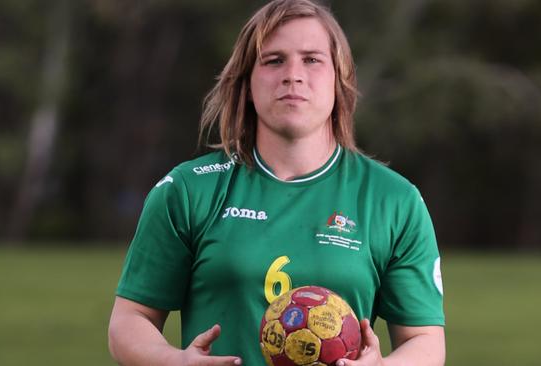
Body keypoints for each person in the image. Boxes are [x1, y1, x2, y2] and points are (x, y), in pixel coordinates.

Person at [107, 0, 445, 365]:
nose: (293, 75)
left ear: (339, 78)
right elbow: (129, 320)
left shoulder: (394, 200)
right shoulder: (188, 190)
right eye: (273, 60)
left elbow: (424, 340)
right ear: (247, 83)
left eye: (312, 59)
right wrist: (175, 361)